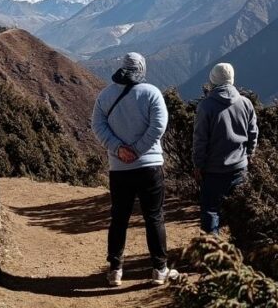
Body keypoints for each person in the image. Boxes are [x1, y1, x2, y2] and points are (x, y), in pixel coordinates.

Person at [91, 52, 179, 287]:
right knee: (154, 216)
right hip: (149, 166)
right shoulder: (152, 93)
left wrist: (118, 149)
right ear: (141, 69)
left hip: (119, 168)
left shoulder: (105, 95)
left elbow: (97, 125)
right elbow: (158, 126)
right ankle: (160, 269)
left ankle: (115, 270)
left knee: (119, 217)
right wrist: (139, 150)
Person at [191, 62, 258, 235]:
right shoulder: (246, 103)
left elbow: (200, 139)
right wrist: (249, 155)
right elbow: (253, 133)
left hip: (213, 170)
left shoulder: (206, 106)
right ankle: (240, 247)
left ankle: (212, 247)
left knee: (211, 210)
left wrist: (198, 164)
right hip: (240, 168)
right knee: (239, 212)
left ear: (212, 80)